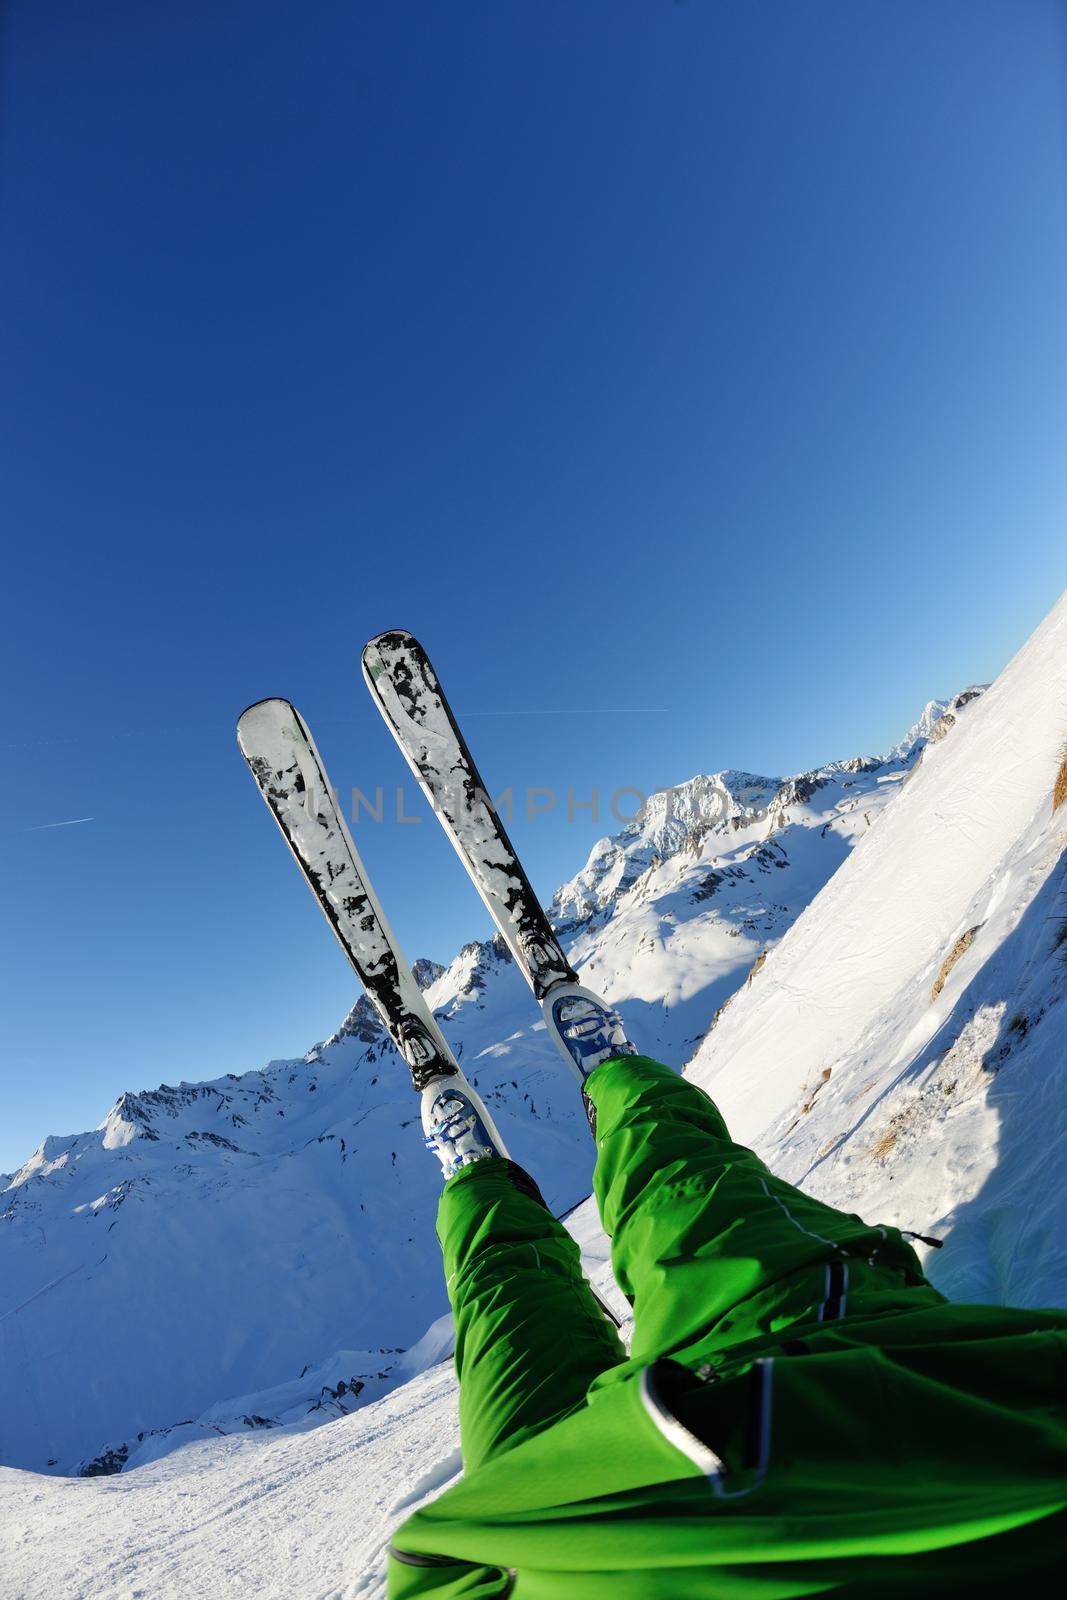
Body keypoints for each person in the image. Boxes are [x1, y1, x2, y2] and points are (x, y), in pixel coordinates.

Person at [387, 993, 1067, 1598]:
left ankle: (475, 1180)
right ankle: (617, 1077)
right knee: (686, 1185)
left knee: (503, 1308)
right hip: (824, 1380)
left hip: (541, 1536)